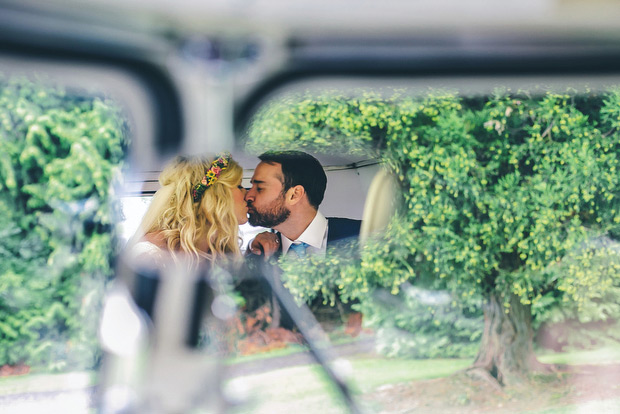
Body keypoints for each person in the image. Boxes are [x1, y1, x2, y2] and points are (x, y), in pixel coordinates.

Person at [127, 152, 248, 269]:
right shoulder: (149, 255)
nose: (247, 194)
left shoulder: (218, 253)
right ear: (215, 194)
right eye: (239, 186)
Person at [244, 150, 361, 258]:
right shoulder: (260, 253)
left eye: (259, 188)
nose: (248, 196)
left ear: (294, 195)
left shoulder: (367, 236)